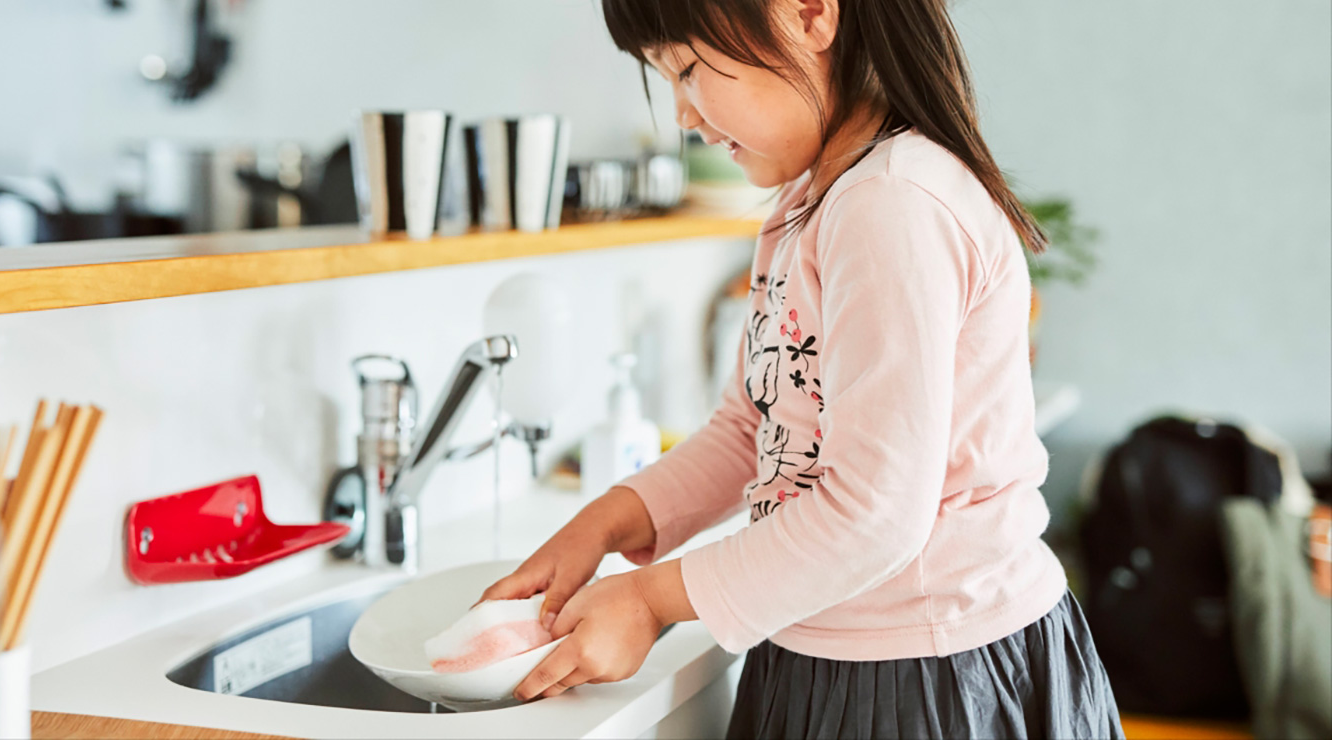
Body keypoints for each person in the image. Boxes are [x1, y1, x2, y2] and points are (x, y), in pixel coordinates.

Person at [480, 0, 1124, 736]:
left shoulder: (892, 202)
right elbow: (745, 431)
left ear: (810, 13)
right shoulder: (809, 203)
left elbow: (875, 514)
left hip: (933, 670)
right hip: (832, 650)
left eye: (687, 68)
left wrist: (652, 599)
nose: (683, 115)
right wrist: (601, 526)